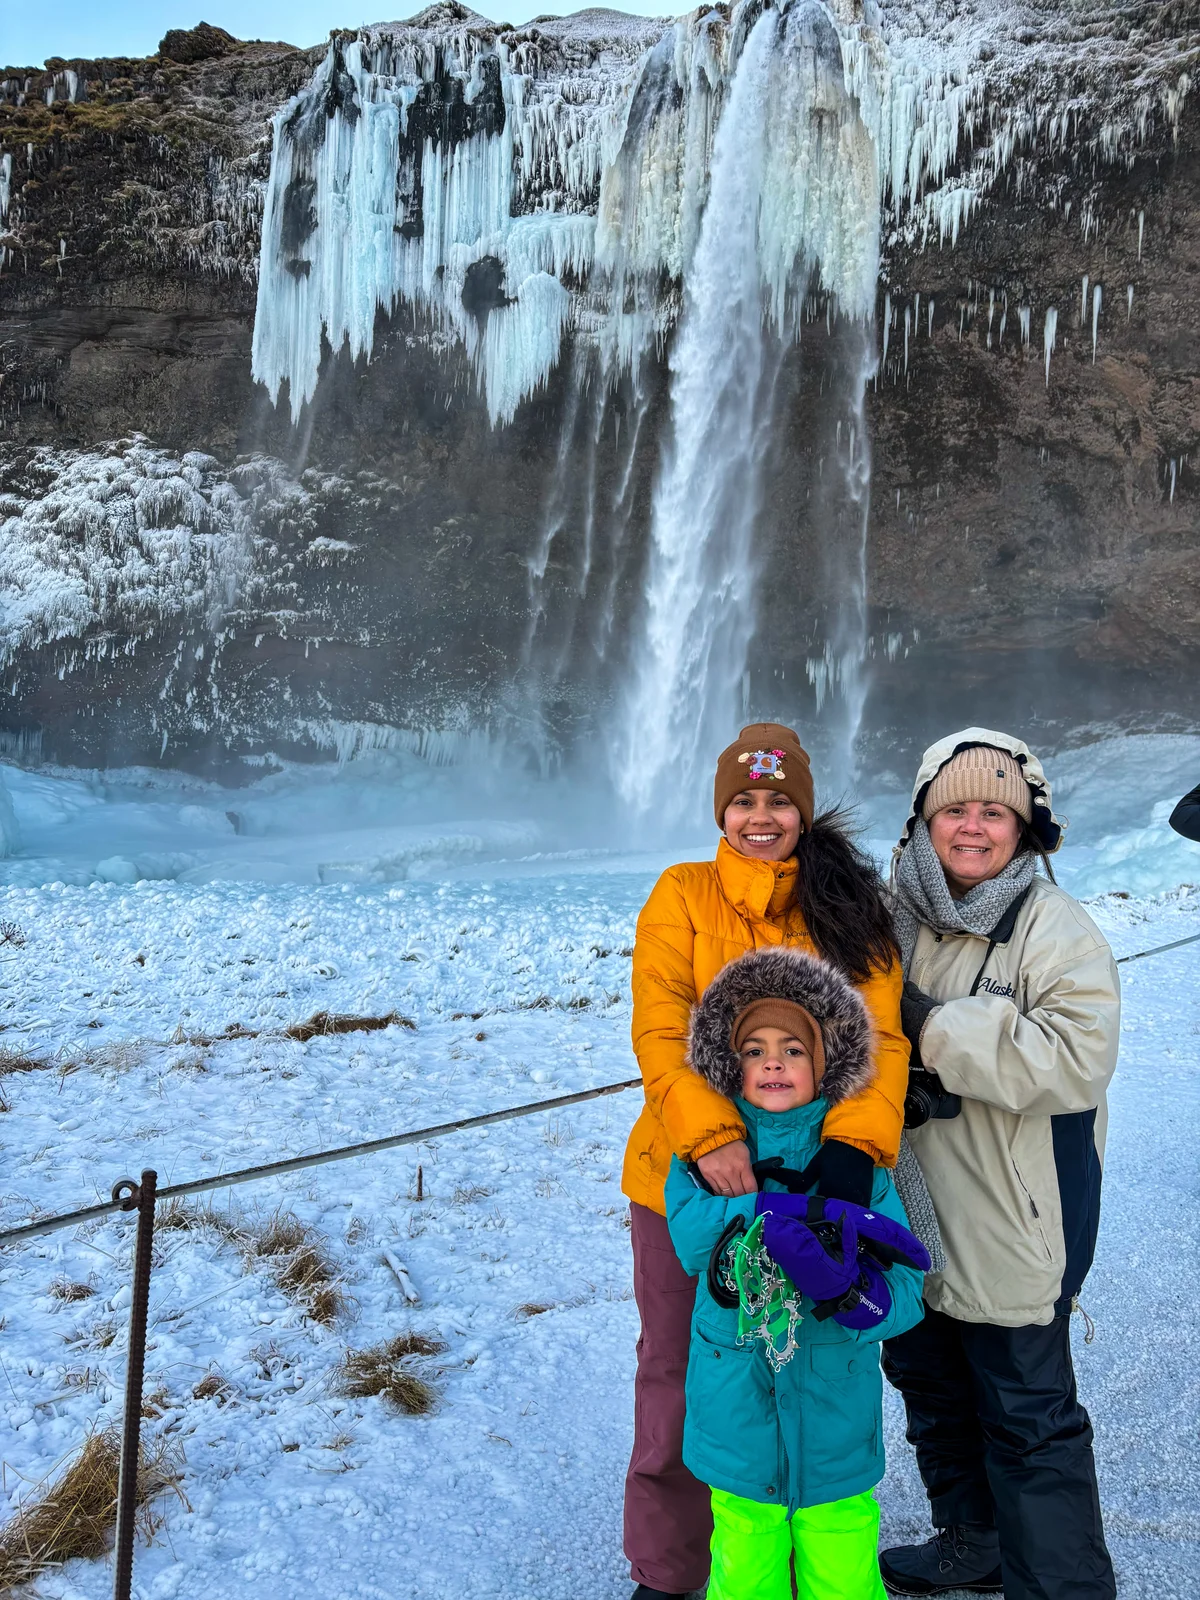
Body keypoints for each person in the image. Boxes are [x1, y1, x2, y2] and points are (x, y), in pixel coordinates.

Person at [623, 722, 908, 1600]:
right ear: (721, 809)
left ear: (802, 810)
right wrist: (711, 1139)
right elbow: (663, 1027)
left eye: (777, 799)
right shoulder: (682, 893)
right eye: (742, 800)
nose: (759, 816)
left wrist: (854, 1158)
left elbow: (882, 1034)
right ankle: (672, 1570)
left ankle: (801, 1551)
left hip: (823, 1179)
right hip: (683, 1177)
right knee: (681, 1364)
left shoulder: (849, 906)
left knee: (816, 1353)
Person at [878, 730, 1119, 1600]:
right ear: (923, 819)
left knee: (1028, 1417)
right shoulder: (881, 914)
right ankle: (971, 1541)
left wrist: (928, 1025)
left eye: (993, 811)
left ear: (1025, 827)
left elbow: (1074, 1061)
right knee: (932, 1390)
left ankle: (1061, 1589)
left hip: (1011, 1218)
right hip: (902, 1205)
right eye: (955, 809)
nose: (972, 827)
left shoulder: (1055, 928)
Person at [664, 946, 928, 1600]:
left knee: (841, 1563)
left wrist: (853, 1294)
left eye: (794, 1049)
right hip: (736, 1409)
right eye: (753, 1050)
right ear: (729, 1065)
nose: (774, 1061)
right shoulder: (704, 1156)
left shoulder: (860, 1167)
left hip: (834, 1416)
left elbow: (906, 1290)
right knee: (745, 1560)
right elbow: (691, 1237)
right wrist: (768, 1209)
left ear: (826, 1063)